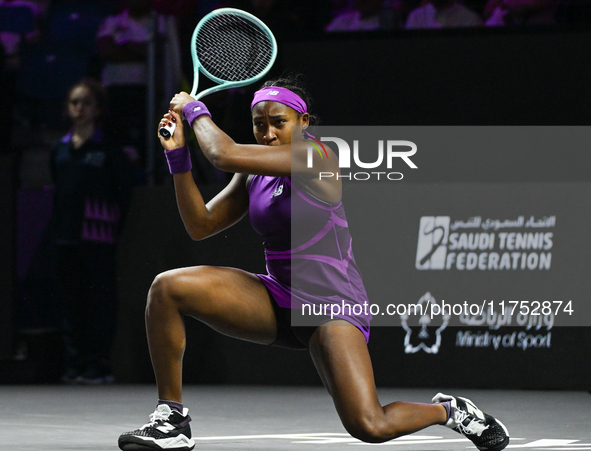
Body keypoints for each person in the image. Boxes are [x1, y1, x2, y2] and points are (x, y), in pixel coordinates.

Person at [117, 75, 509, 451]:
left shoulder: (317, 156)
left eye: (278, 123)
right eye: (259, 125)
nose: (268, 134)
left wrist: (193, 109)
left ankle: (451, 412)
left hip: (331, 305)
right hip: (279, 297)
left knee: (370, 425)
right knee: (167, 288)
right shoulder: (254, 173)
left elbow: (222, 153)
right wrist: (179, 158)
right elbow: (200, 225)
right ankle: (172, 422)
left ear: (303, 123)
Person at [49, 77, 132, 384]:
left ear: (98, 109)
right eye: (74, 103)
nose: (80, 108)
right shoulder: (58, 149)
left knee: (99, 303)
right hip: (65, 236)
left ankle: (99, 365)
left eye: (86, 103)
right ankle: (75, 363)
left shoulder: (108, 149)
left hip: (99, 237)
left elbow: (124, 191)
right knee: (71, 303)